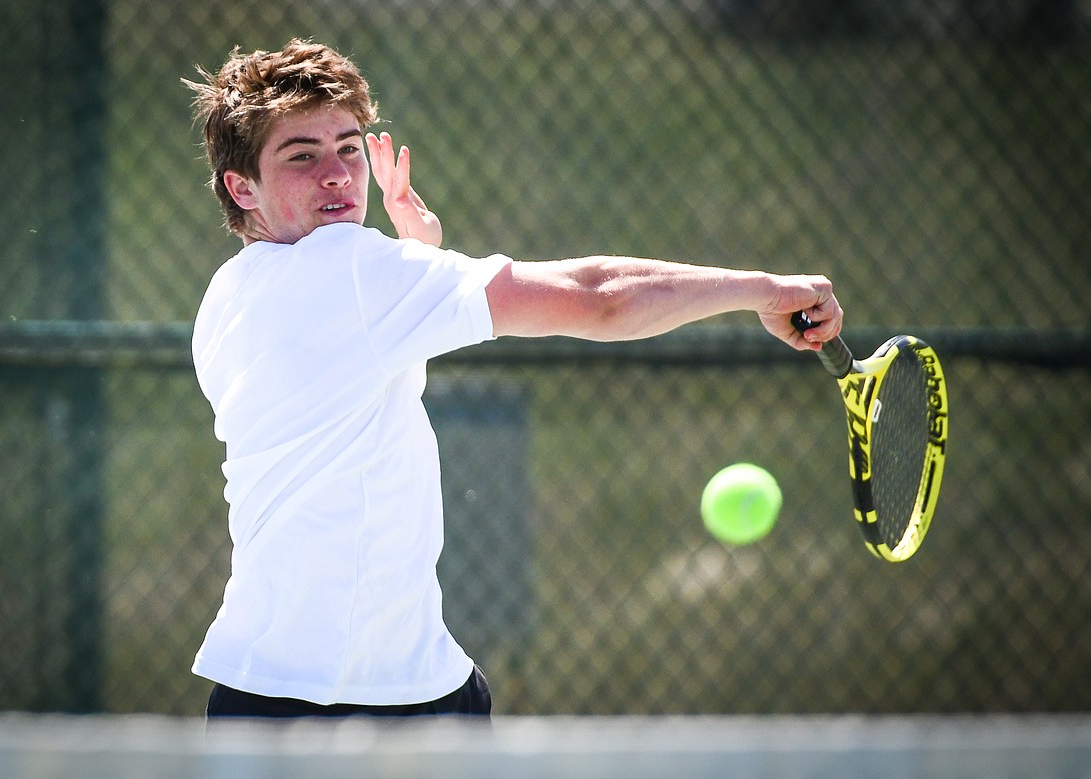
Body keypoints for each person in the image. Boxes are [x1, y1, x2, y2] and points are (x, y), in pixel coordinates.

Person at [184, 38, 843, 720]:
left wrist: (419, 257)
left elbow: (354, 382)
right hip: (342, 707)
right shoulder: (351, 271)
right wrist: (766, 290)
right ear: (242, 186)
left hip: (295, 686)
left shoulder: (226, 299)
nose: (338, 174)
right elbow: (599, 297)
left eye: (350, 147)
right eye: (302, 155)